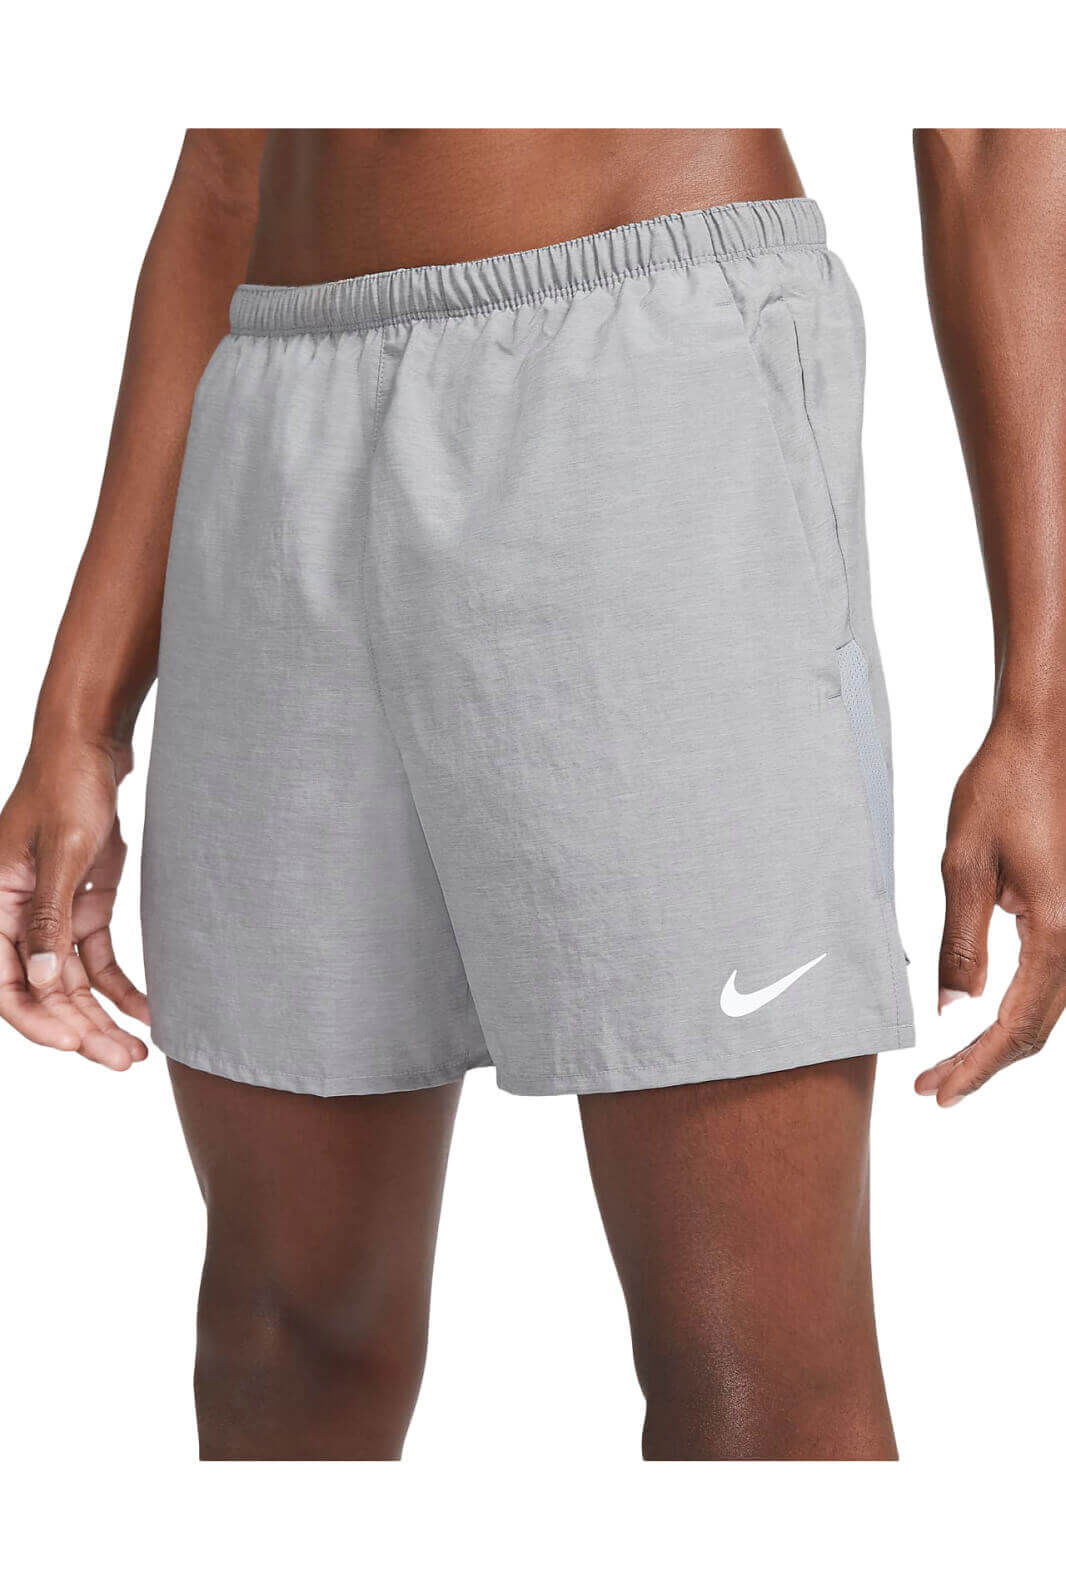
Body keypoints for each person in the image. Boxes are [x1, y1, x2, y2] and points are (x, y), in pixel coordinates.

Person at [1, 130, 1063, 1462]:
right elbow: (226, 170)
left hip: (645, 371)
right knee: (283, 1339)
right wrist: (77, 718)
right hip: (272, 404)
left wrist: (1044, 708)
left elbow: (991, 134)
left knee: (750, 1386)